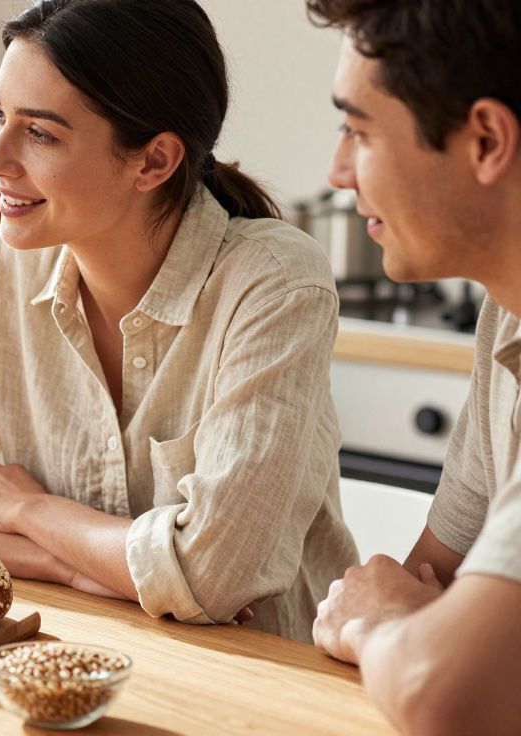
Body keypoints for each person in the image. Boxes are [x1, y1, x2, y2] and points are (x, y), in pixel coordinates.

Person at [0, 0, 358, 643]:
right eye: (0, 116)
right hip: (72, 653)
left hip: (261, 682)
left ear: (154, 161)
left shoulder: (273, 283)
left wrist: (31, 509)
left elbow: (214, 576)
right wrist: (65, 562)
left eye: (41, 133)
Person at [306, 1, 521, 733]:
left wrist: (379, 627)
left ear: (487, 139)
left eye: (359, 130)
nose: (338, 171)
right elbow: (429, 576)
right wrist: (407, 621)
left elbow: (439, 688)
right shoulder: (507, 314)